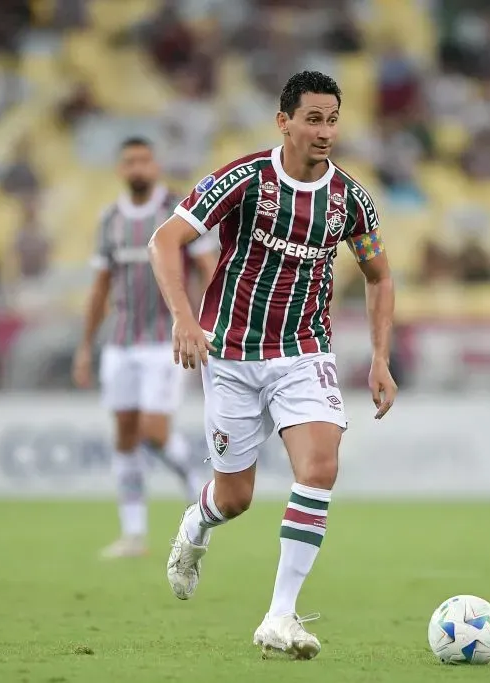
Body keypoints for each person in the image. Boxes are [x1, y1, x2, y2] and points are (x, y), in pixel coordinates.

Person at [149, 71, 397, 659]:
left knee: (319, 467)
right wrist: (185, 320)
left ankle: (279, 616)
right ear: (283, 121)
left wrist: (381, 358)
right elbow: (165, 240)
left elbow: (380, 276)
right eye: (313, 118)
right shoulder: (244, 180)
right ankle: (196, 525)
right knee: (233, 498)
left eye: (333, 119)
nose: (325, 131)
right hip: (231, 355)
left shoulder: (349, 200)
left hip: (304, 353)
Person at [73, 137, 218, 559]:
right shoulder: (110, 220)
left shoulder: (178, 211)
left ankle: (196, 484)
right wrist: (86, 346)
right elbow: (100, 287)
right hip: (119, 343)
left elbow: (210, 270)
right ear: (121, 169)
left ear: (155, 165)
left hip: (165, 341)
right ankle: (133, 534)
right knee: (124, 437)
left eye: (144, 160)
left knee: (152, 433)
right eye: (129, 161)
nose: (137, 167)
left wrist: (205, 325)